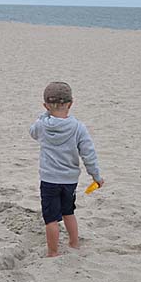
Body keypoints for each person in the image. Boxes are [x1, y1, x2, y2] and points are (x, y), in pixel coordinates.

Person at [29, 81, 104, 257]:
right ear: (70, 104)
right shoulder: (78, 127)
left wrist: (44, 114)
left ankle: (53, 252)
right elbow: (88, 154)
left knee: (51, 220)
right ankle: (74, 243)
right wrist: (96, 176)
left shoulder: (42, 125)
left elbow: (32, 132)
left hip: (49, 180)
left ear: (46, 105)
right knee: (69, 212)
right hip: (69, 180)